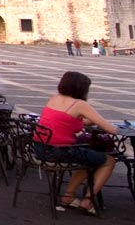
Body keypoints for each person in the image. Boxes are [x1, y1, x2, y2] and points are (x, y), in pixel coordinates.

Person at [34, 71, 117, 215]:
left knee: (87, 158)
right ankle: (87, 200)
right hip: (59, 152)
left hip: (40, 149)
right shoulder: (79, 104)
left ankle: (68, 196)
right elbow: (111, 130)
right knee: (108, 161)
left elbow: (65, 121)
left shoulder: (54, 99)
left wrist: (85, 121)